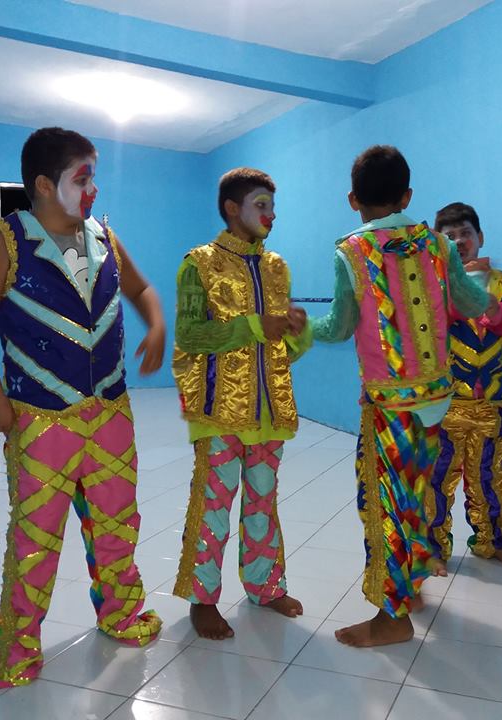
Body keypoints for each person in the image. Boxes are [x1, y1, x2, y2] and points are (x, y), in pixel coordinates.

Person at [0, 127, 164, 688]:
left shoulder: (104, 236)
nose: (94, 189)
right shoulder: (6, 241)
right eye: (83, 177)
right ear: (46, 185)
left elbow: (141, 289)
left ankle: (122, 614)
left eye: (94, 176)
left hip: (112, 412)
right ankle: (19, 651)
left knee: (117, 522)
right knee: (35, 538)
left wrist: (155, 324)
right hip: (39, 419)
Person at [311, 146, 496, 647]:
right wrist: (482, 283)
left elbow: (339, 327)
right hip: (437, 397)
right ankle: (409, 586)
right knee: (416, 492)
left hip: (389, 406)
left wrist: (300, 327)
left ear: (353, 200)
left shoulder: (351, 251)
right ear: (408, 196)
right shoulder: (438, 245)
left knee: (384, 505)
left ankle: (392, 617)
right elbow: (471, 303)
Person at [172, 167, 310, 640]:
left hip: (270, 409)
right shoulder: (199, 264)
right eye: (261, 205)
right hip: (219, 410)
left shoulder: (277, 267)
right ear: (233, 209)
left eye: (273, 205)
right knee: (213, 506)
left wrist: (297, 331)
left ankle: (266, 587)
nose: (271, 215)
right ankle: (203, 599)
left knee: (263, 503)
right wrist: (253, 326)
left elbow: (281, 348)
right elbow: (190, 336)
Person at [427, 202, 502, 569]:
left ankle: (493, 541)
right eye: (450, 236)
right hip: (445, 404)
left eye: (466, 233)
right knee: (437, 479)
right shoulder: (431, 284)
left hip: (493, 404)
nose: (460, 241)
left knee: (490, 477)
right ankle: (431, 550)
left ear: (480, 237)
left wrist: (496, 310)